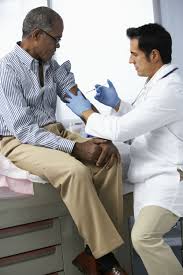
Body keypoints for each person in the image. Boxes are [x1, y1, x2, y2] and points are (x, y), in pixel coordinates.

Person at [0, 6, 129, 275]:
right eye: (56, 39)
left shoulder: (52, 65)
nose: (58, 45)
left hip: (52, 131)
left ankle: (92, 254)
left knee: (108, 159)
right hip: (18, 139)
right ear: (36, 35)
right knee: (75, 170)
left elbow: (75, 97)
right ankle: (106, 261)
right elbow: (24, 130)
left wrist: (103, 134)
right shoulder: (7, 71)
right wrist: (75, 147)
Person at [65, 23, 183, 275]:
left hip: (168, 178)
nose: (130, 61)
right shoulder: (156, 83)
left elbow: (122, 130)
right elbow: (148, 121)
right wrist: (118, 104)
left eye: (134, 54)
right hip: (149, 176)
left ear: (154, 55)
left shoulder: (170, 90)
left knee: (144, 238)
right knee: (141, 239)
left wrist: (85, 111)